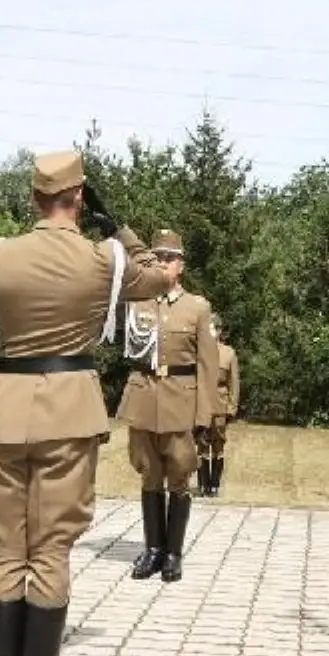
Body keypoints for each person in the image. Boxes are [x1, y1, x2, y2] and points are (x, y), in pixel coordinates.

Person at [0, 150, 172, 656]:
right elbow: (159, 278)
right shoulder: (104, 259)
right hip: (70, 416)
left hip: (4, 415)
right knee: (50, 553)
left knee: (6, 552)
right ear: (78, 197)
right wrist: (118, 227)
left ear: (33, 197)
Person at [117, 228, 220, 583]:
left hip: (180, 398)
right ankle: (153, 550)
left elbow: (209, 366)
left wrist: (205, 414)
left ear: (181, 266)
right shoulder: (137, 301)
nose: (162, 262)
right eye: (157, 257)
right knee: (149, 474)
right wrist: (120, 231)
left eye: (168, 258)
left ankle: (173, 553)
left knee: (178, 476)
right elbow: (131, 259)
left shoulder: (197, 307)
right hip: (144, 396)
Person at [196, 312, 239, 497]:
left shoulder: (228, 353)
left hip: (220, 405)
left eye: (215, 328)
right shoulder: (198, 352)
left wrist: (232, 407)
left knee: (218, 446)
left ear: (220, 331)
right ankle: (203, 485)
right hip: (202, 404)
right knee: (202, 445)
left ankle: (215, 485)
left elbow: (234, 383)